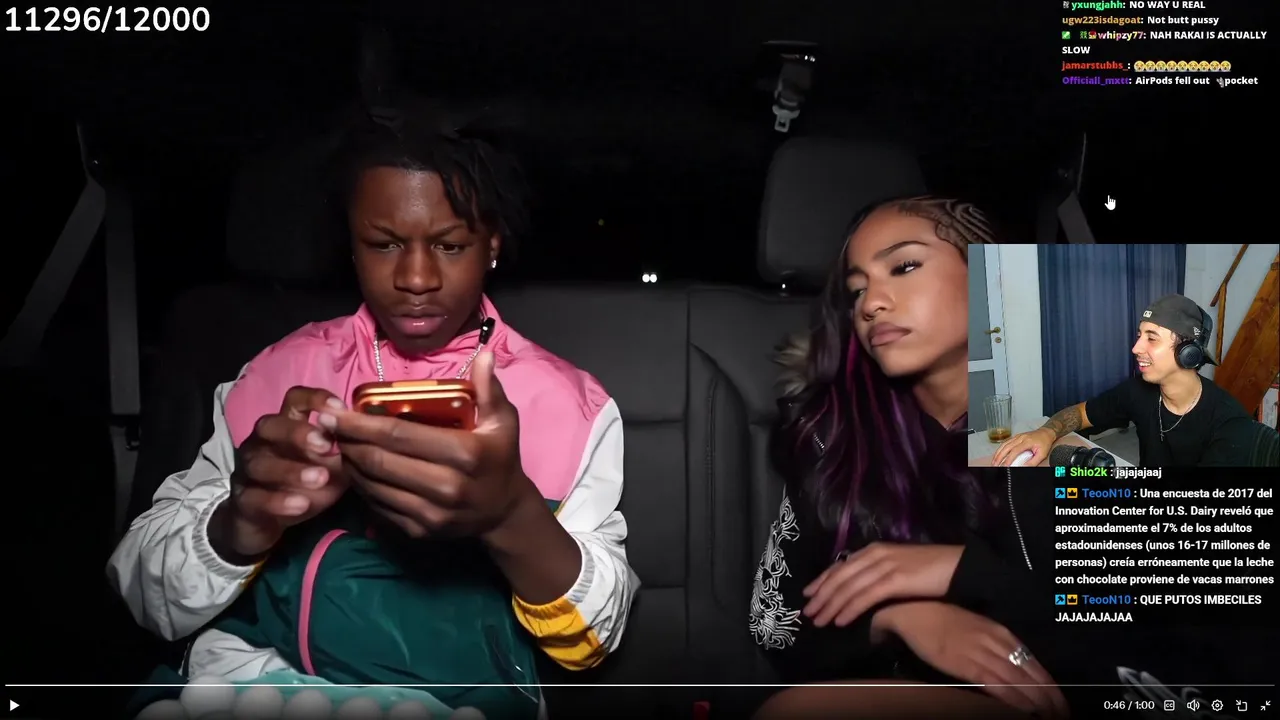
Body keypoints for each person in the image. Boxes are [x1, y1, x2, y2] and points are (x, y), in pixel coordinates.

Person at [107, 105, 639, 718]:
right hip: (247, 682)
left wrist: (510, 514)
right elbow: (144, 597)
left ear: (491, 243)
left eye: (450, 245)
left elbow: (593, 641)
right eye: (383, 244)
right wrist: (241, 521)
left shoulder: (567, 405)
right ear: (352, 245)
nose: (416, 277)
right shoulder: (279, 374)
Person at [747, 196, 1074, 718]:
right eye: (857, 290)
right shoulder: (832, 436)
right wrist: (895, 618)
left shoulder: (1084, 419)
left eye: (904, 267)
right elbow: (774, 624)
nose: (871, 304)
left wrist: (960, 571)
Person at [992, 294, 1257, 467]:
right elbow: (1081, 414)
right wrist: (1046, 433)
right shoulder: (1138, 391)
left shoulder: (1229, 422)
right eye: (1140, 335)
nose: (1136, 348)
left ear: (1188, 353)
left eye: (1151, 338)